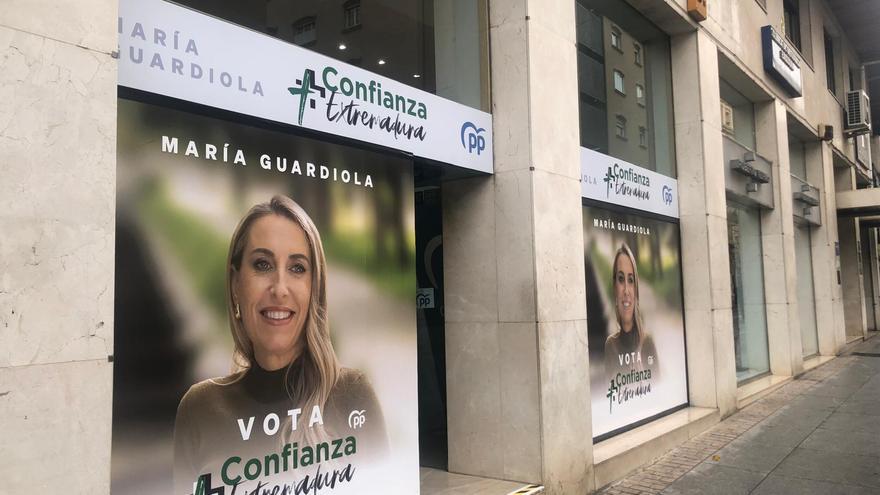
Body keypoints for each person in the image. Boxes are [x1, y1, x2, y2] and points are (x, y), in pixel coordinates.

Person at [173, 195, 388, 494]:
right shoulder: (199, 409)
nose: (280, 289)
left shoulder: (351, 395)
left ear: (314, 288)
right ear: (236, 284)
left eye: (298, 268)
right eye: (262, 264)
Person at [604, 243, 658, 378]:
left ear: (636, 290)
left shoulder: (648, 342)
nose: (626, 290)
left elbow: (659, 390)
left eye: (631, 280)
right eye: (621, 279)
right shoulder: (610, 345)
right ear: (615, 287)